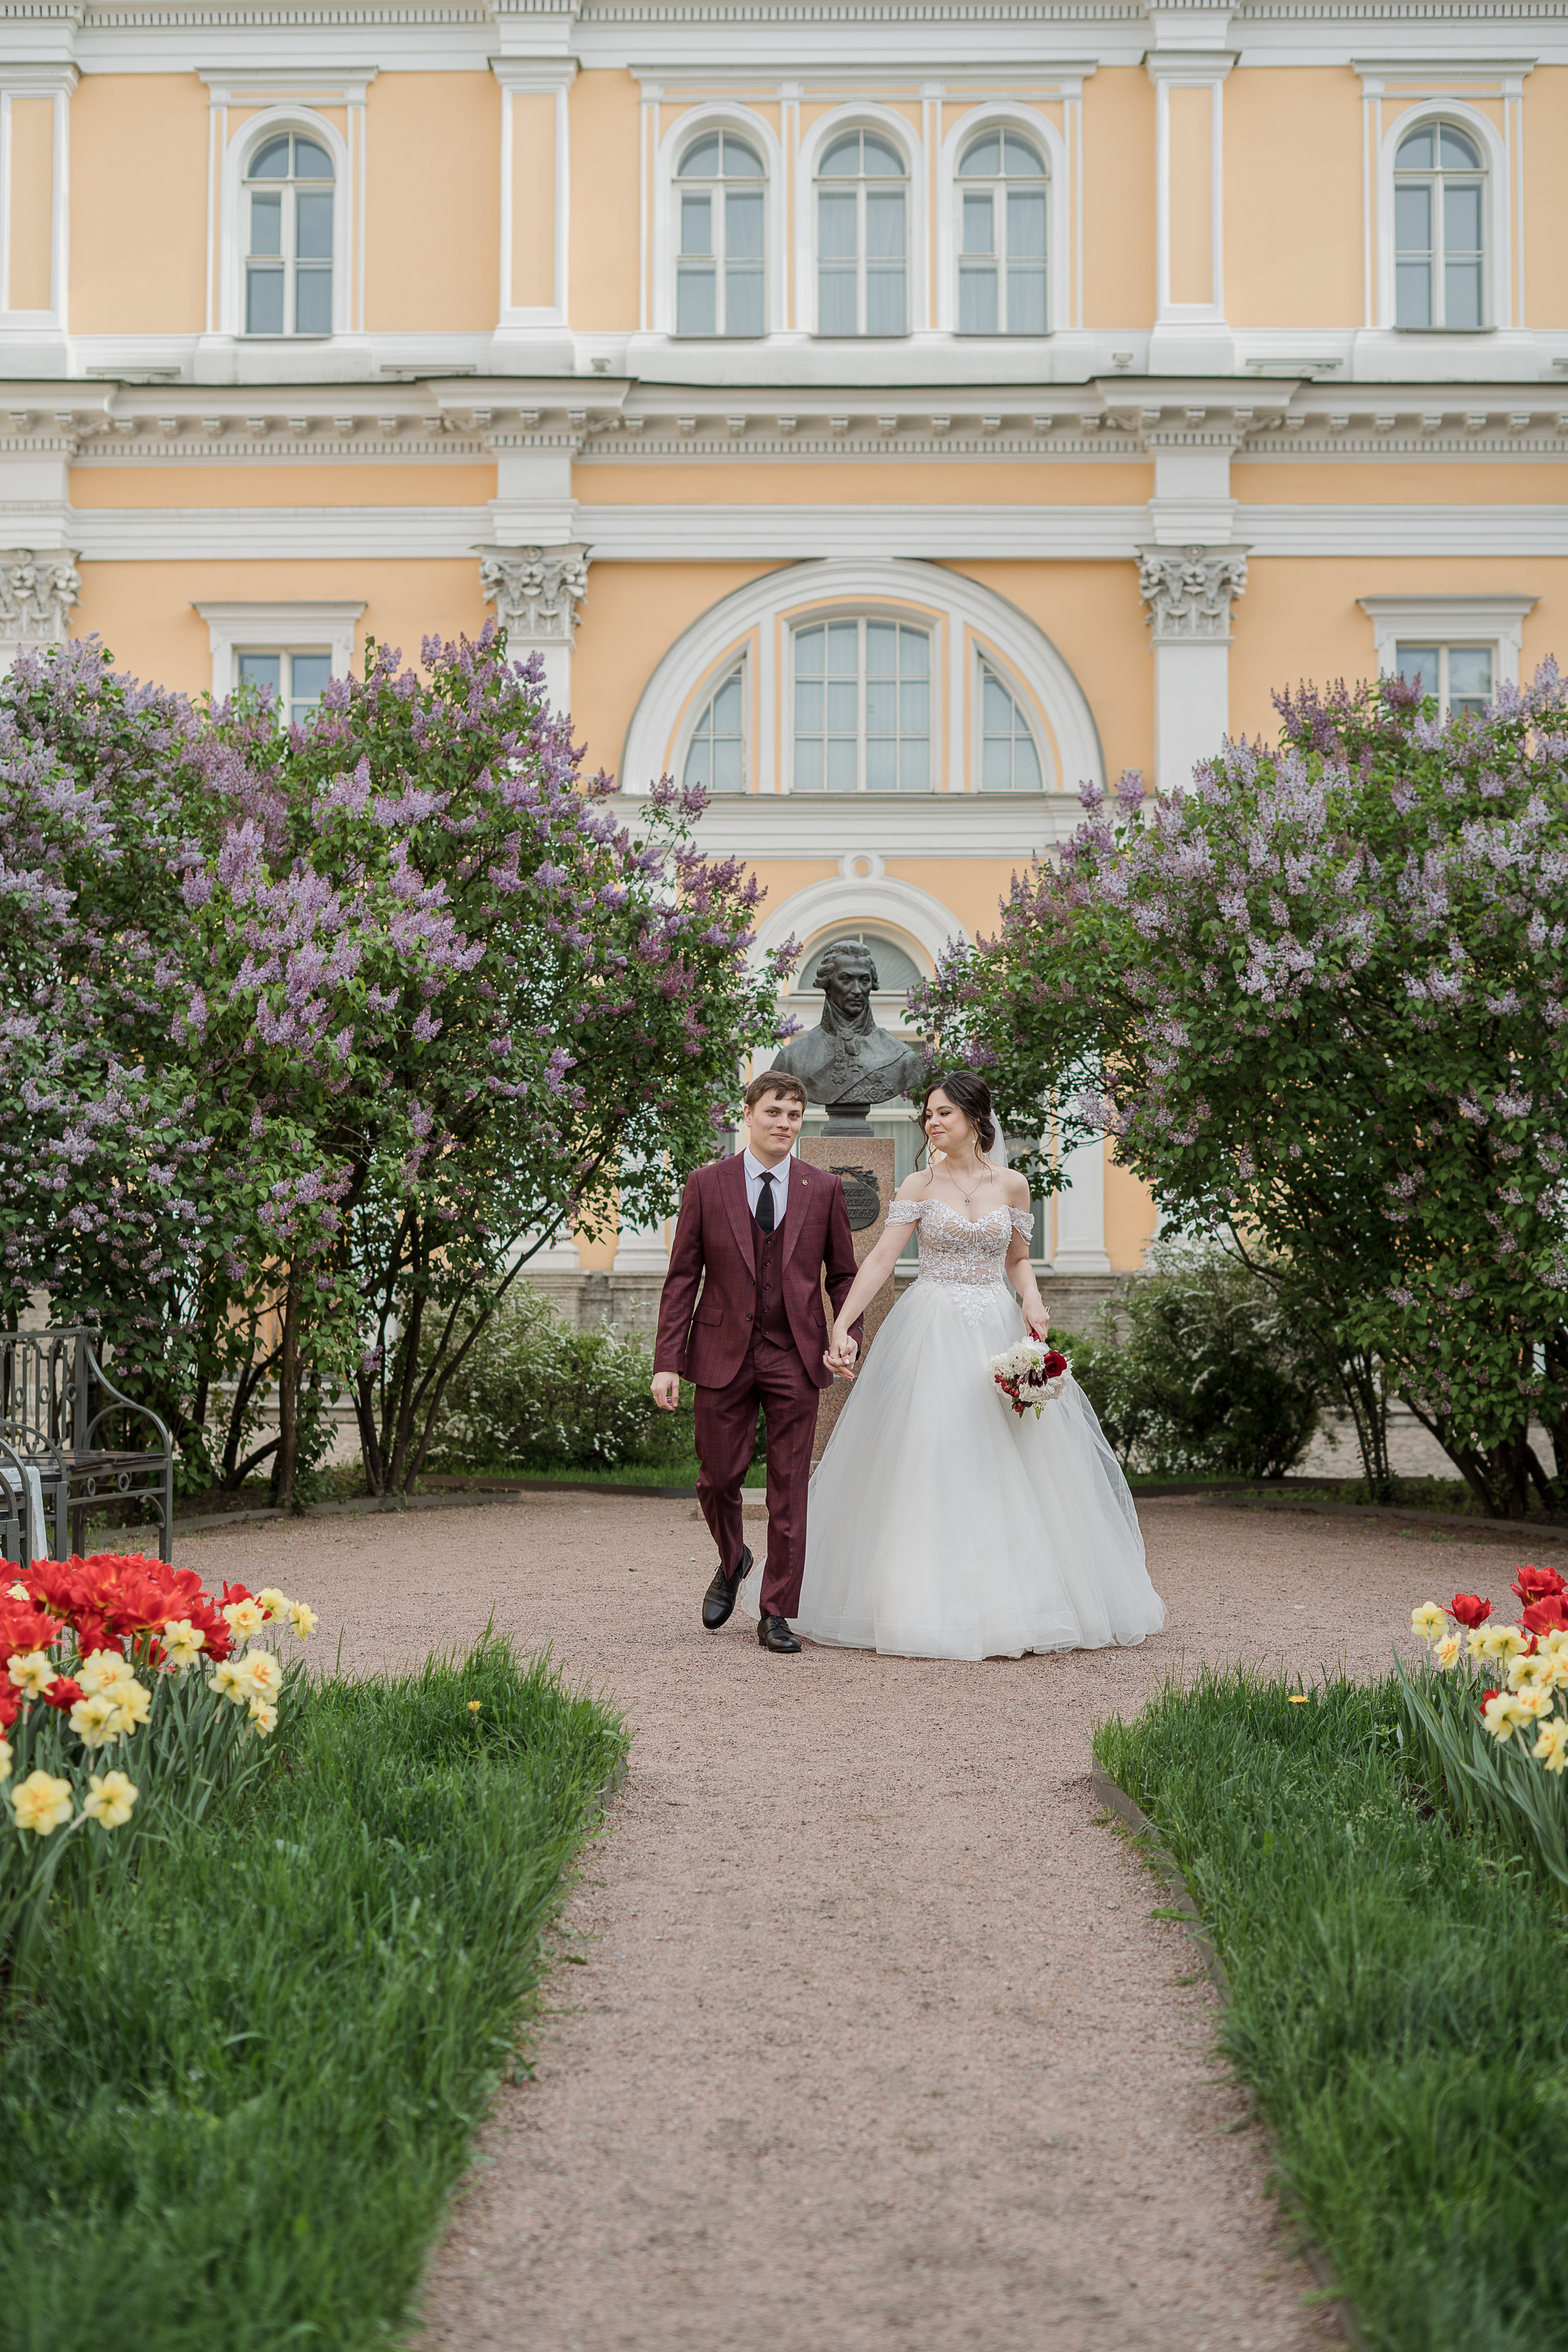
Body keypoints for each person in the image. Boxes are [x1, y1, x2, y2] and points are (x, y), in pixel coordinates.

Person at [741, 1069, 1165, 1661]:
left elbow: (1018, 1260)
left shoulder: (1013, 1184)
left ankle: (1021, 1597)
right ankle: (916, 1597)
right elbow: (882, 1260)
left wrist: (1033, 1297)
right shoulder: (918, 1184)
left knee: (1008, 1457)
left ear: (974, 1117)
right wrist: (841, 1321)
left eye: (943, 1113)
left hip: (994, 1324)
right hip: (932, 1326)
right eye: (929, 1116)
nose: (933, 1123)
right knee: (932, 1452)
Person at [651, 1071, 862, 1654]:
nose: (785, 1124)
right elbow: (681, 1279)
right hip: (720, 1353)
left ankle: (776, 1611)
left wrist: (847, 1332)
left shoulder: (823, 1189)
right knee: (717, 1479)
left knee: (789, 1489)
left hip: (795, 1353)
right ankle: (733, 1557)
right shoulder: (706, 1184)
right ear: (748, 1114)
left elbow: (844, 1274)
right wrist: (667, 1360)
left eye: (795, 1115)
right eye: (774, 1112)